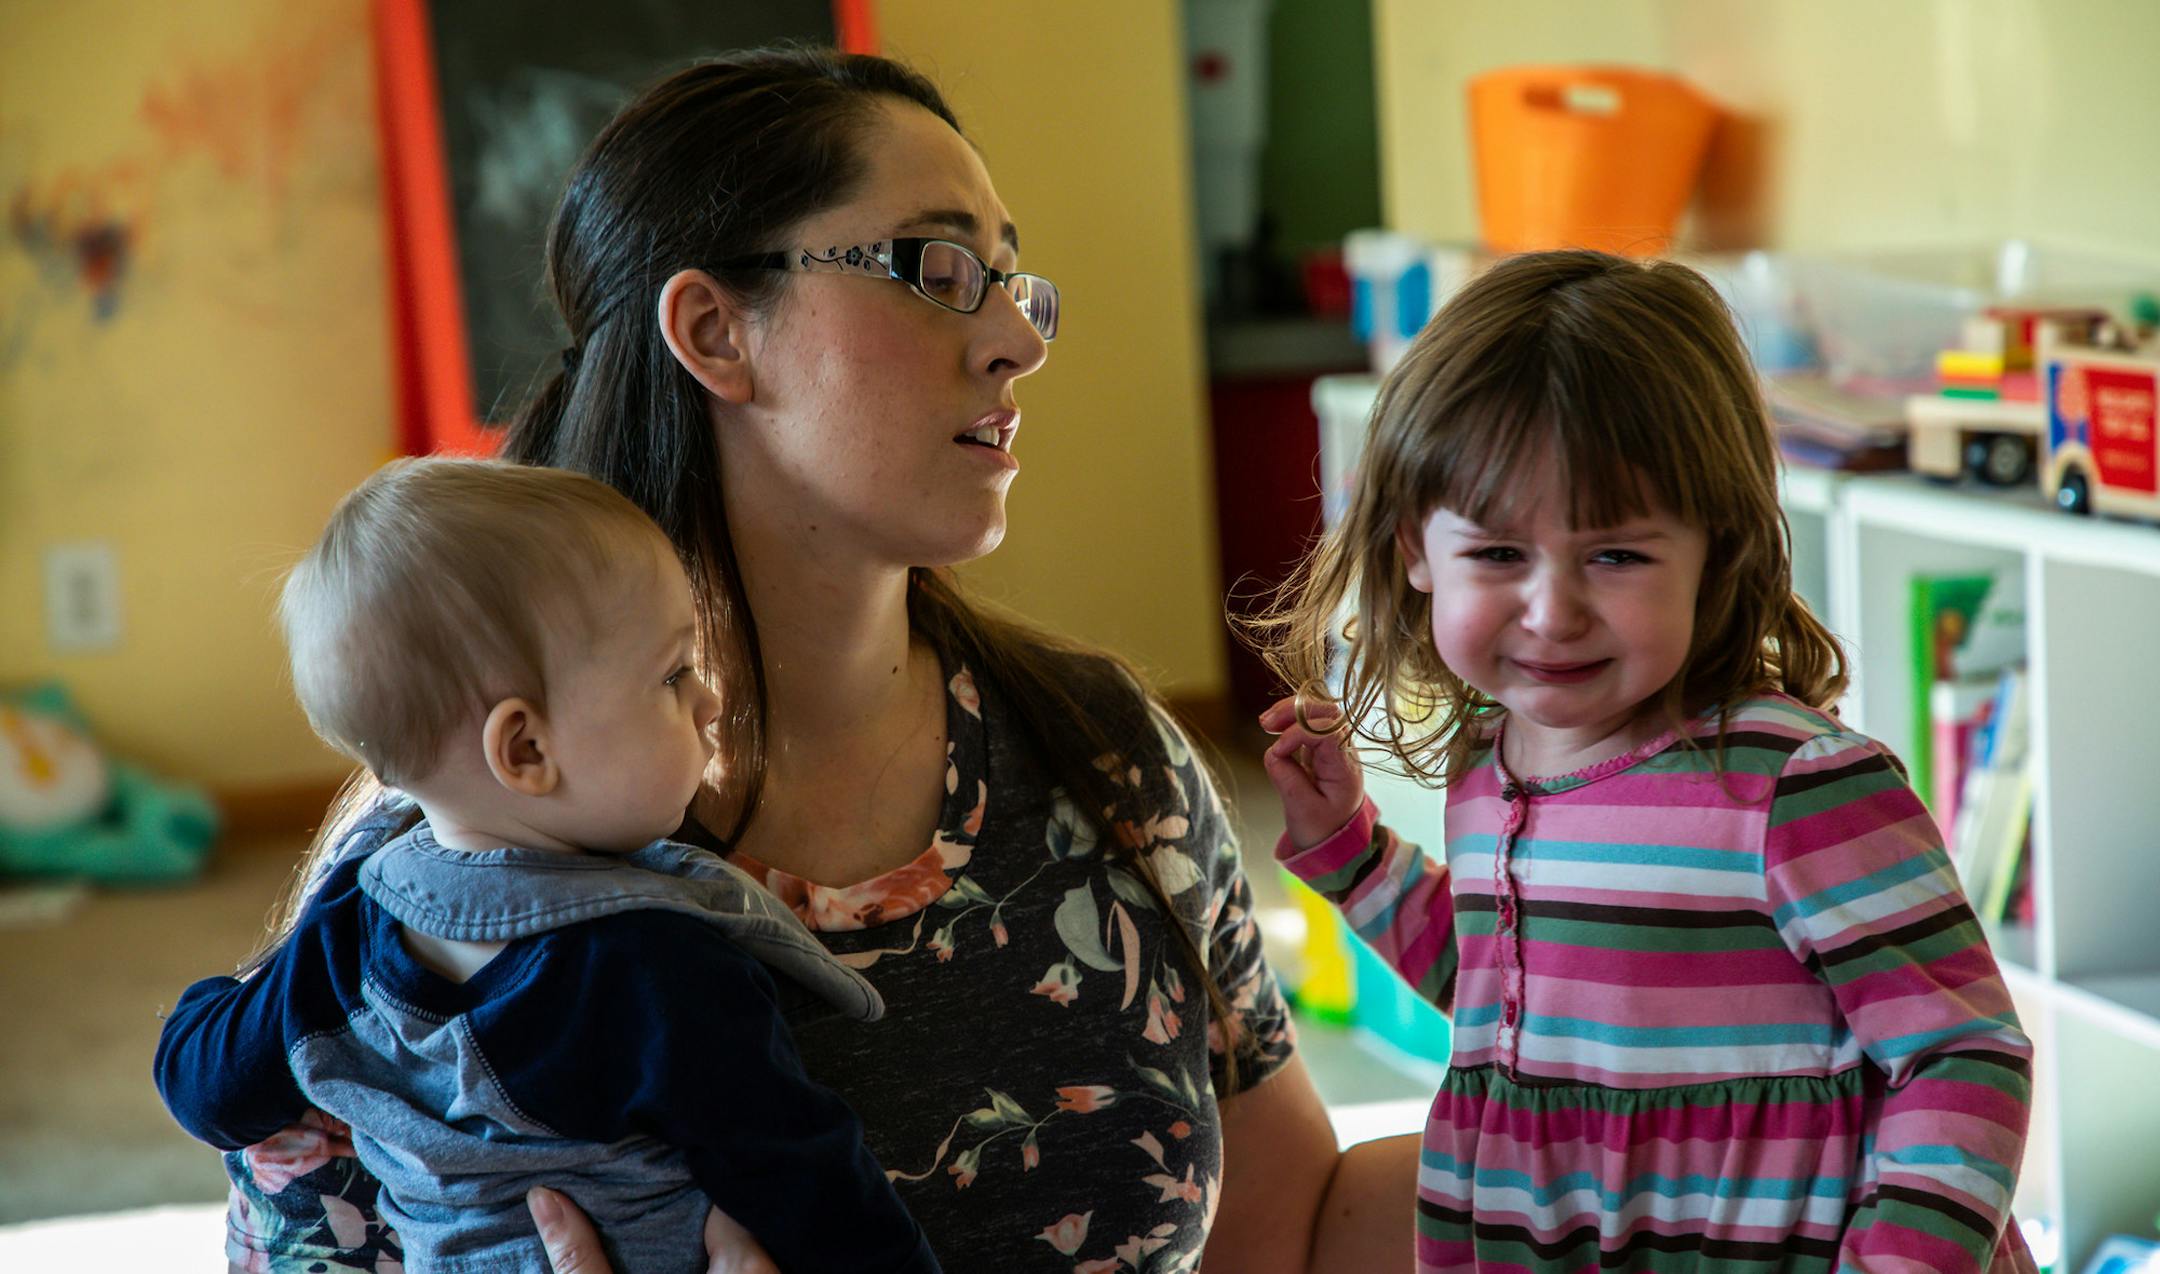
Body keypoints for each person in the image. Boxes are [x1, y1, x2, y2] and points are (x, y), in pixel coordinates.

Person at [213, 48, 1418, 1274]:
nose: (1017, 338)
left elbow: (1291, 1222)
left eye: (1009, 277)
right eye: (939, 269)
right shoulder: (444, 866)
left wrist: (1580, 1105)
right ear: (713, 330)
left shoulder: (1099, 746)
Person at [1256, 250, 2039, 1274]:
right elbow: (1514, 992)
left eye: (1616, 554)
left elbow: (1963, 1055)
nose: (1552, 608)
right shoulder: (1490, 766)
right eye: (1497, 554)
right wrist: (1352, 854)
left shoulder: (1796, 787)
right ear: (1415, 549)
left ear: (1713, 546)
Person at [156, 458, 940, 1273]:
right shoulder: (655, 969)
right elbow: (813, 1187)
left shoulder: (347, 933)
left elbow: (206, 1088)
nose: (709, 700)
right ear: (526, 748)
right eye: (673, 675)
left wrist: (210, 1003)